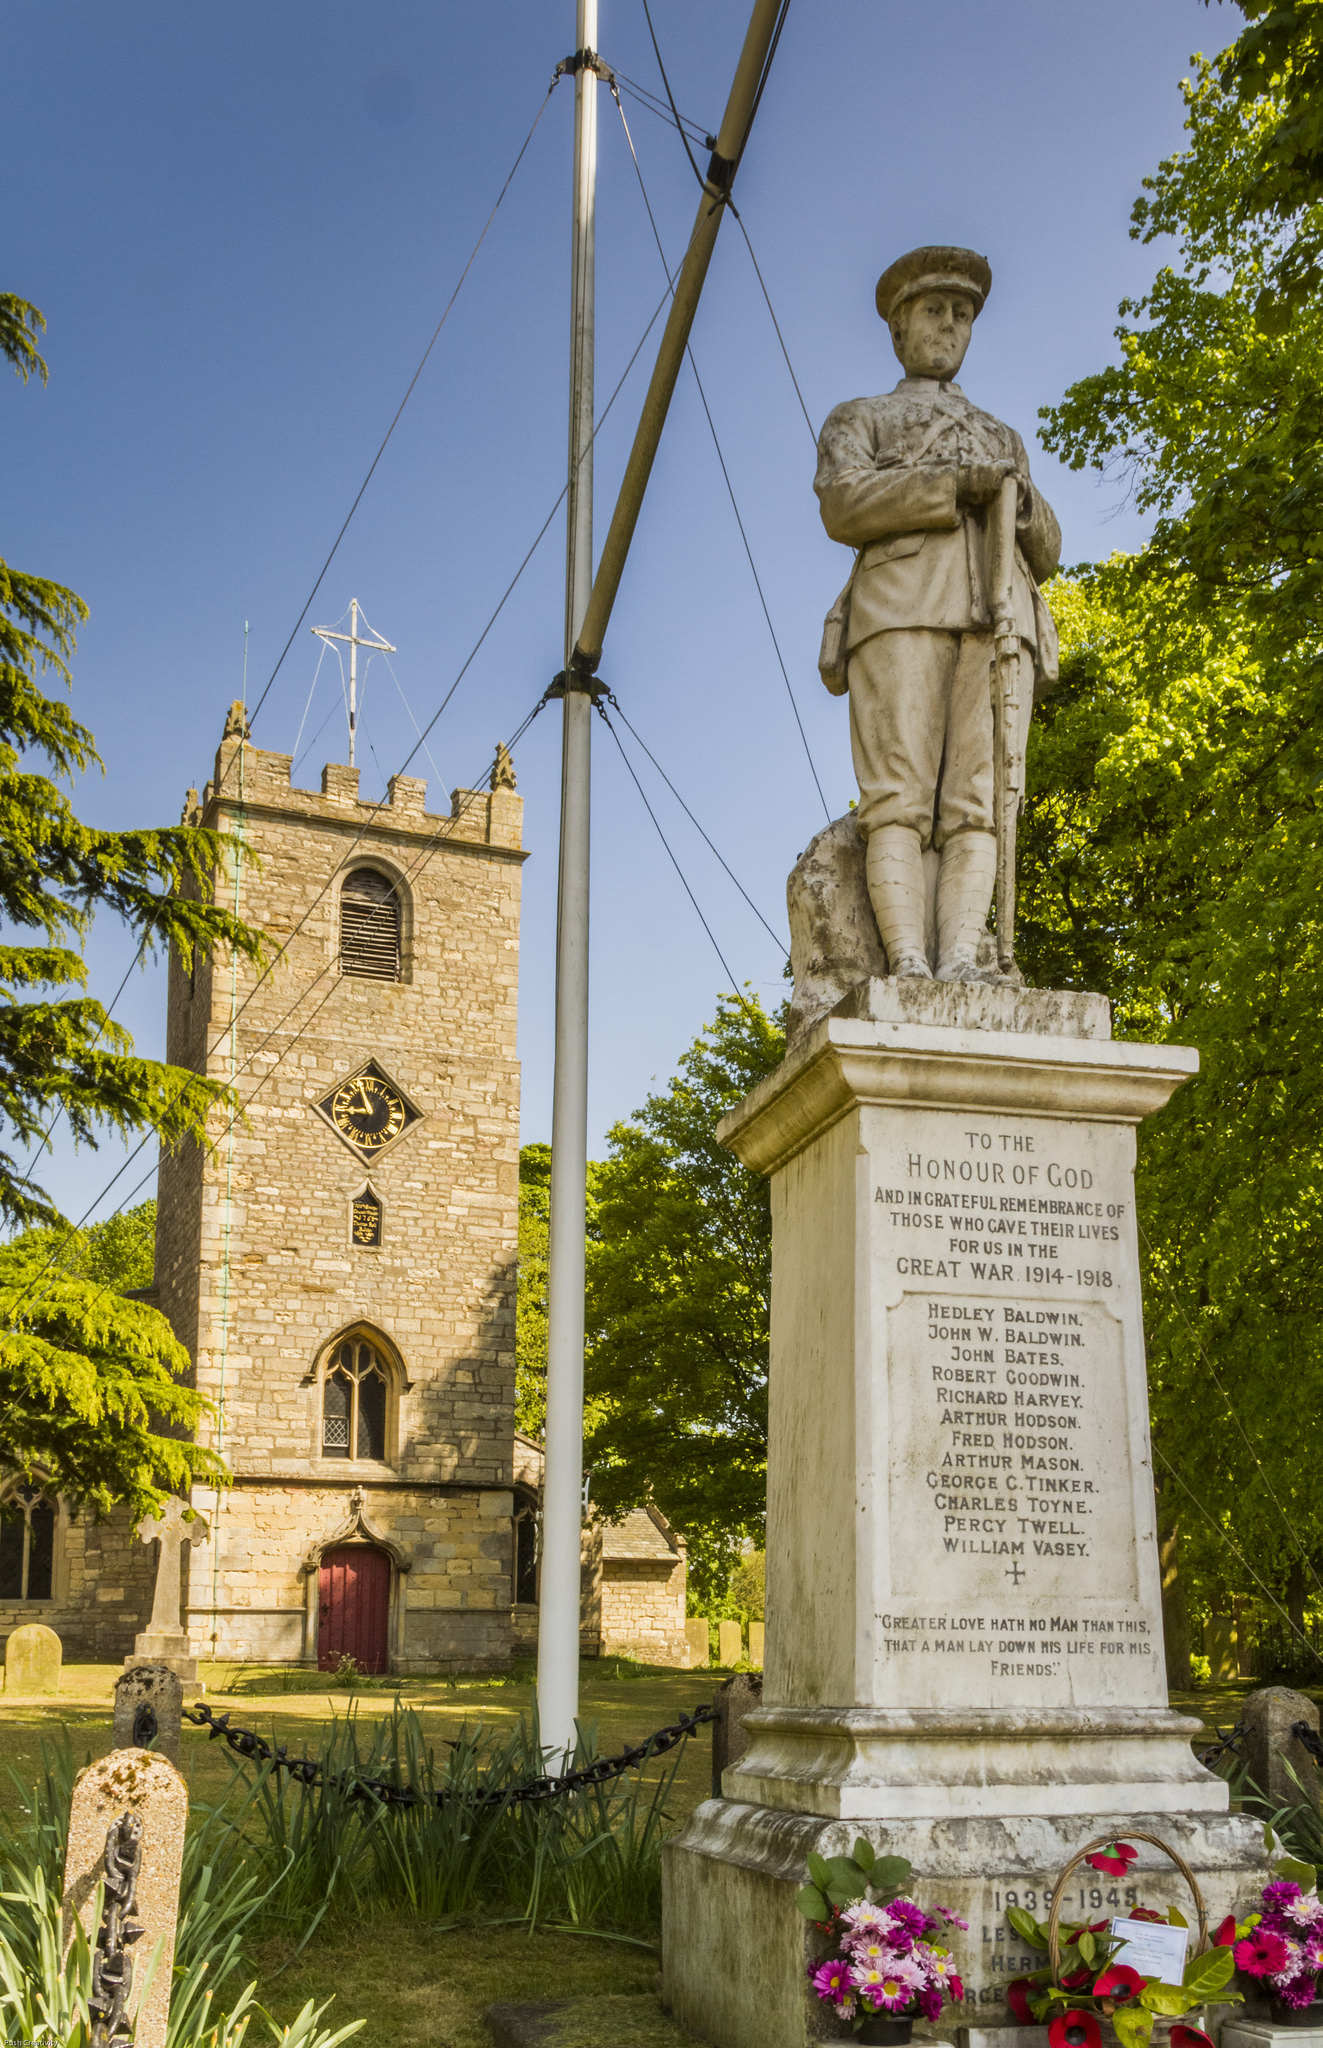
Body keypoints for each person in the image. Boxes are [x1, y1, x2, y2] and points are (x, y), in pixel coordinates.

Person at [814, 246, 1061, 980]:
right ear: (897, 329)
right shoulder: (860, 417)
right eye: (933, 311)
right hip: (899, 607)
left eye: (962, 314)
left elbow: (1046, 546)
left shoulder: (1002, 433)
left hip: (999, 617)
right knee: (897, 794)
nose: (949, 325)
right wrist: (954, 483)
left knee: (979, 803)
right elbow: (842, 500)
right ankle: (908, 961)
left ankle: (961, 956)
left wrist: (1016, 500)